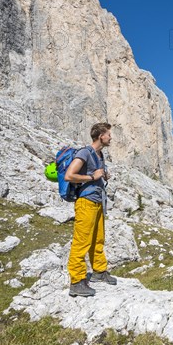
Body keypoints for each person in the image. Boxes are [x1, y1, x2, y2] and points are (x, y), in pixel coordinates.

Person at [65, 122, 116, 297]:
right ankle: (77, 281)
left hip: (98, 202)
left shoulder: (99, 155)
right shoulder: (85, 152)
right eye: (108, 134)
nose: (110, 137)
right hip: (85, 202)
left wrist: (102, 176)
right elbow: (69, 175)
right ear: (101, 135)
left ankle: (99, 271)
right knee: (82, 242)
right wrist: (91, 176)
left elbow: (97, 175)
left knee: (98, 239)